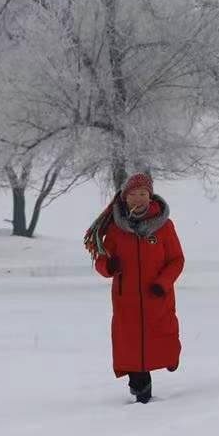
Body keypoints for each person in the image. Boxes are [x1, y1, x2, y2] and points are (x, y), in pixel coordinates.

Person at [84, 171, 185, 403]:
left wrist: (163, 283)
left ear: (150, 196)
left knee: (161, 339)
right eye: (133, 195)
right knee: (130, 344)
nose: (138, 199)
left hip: (157, 297)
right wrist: (108, 266)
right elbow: (101, 260)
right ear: (125, 197)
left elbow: (176, 260)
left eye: (143, 194)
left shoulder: (164, 226)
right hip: (126, 300)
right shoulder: (115, 228)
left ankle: (158, 369)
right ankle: (140, 387)